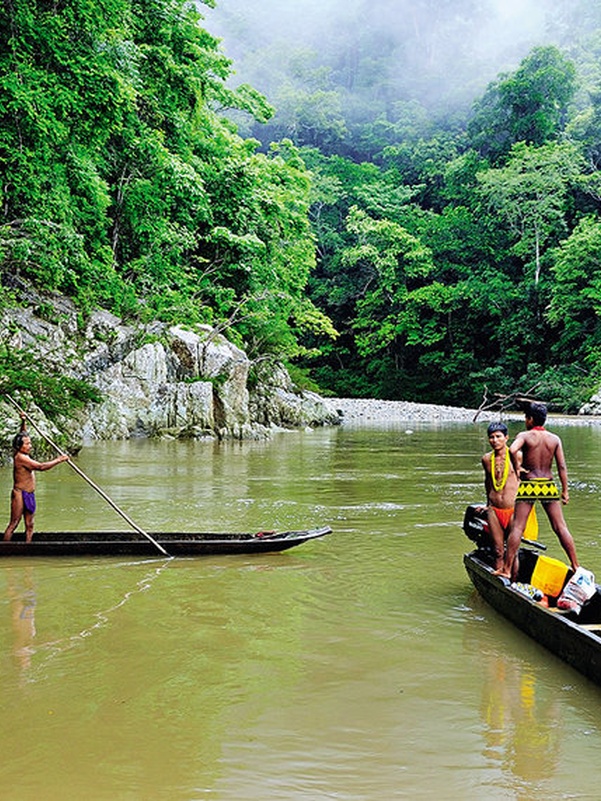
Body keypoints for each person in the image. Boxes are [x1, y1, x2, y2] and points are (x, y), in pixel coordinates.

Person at [494, 402, 579, 579]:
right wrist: (565, 490)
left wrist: (517, 467)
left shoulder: (525, 436)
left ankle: (507, 569)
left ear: (530, 419)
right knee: (560, 527)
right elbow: (562, 466)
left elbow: (513, 449)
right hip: (548, 485)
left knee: (518, 527)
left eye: (526, 418)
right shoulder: (554, 439)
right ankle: (576, 566)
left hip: (529, 484)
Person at [3, 414, 69, 543]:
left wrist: (23, 421)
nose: (30, 446)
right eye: (27, 444)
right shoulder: (20, 457)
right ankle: (5, 548)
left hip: (29, 494)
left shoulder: (23, 452)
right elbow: (41, 467)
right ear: (20, 446)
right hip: (19, 494)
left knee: (30, 524)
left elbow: (22, 434)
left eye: (30, 443)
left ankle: (28, 547)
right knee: (14, 523)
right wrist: (59, 460)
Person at [481, 422, 520, 573]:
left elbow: (526, 480)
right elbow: (488, 482)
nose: (495, 440)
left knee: (512, 552)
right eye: (491, 437)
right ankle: (499, 581)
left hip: (513, 509)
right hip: (494, 510)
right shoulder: (486, 459)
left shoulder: (517, 456)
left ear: (506, 438)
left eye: (498, 436)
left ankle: (513, 582)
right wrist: (487, 504)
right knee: (498, 551)